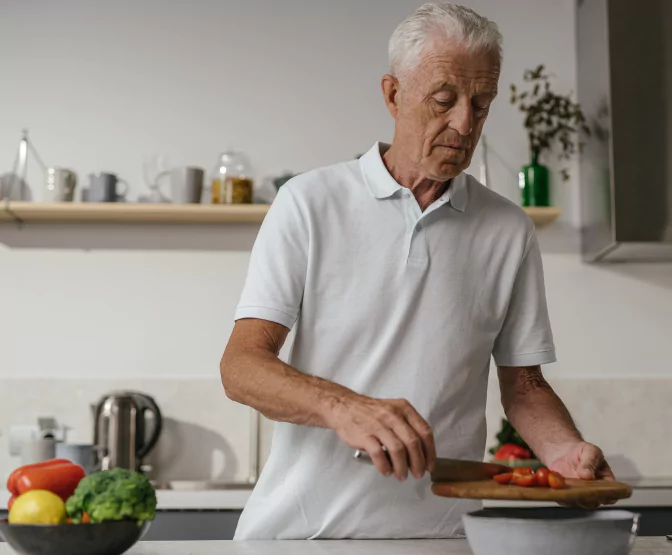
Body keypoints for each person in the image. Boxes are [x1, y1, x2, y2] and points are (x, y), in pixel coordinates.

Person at [221, 2, 614, 541]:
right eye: (444, 99)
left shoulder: (507, 229)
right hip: (299, 535)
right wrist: (344, 408)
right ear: (393, 95)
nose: (464, 123)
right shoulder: (309, 203)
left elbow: (524, 385)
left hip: (440, 538)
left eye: (480, 103)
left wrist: (565, 451)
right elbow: (241, 367)